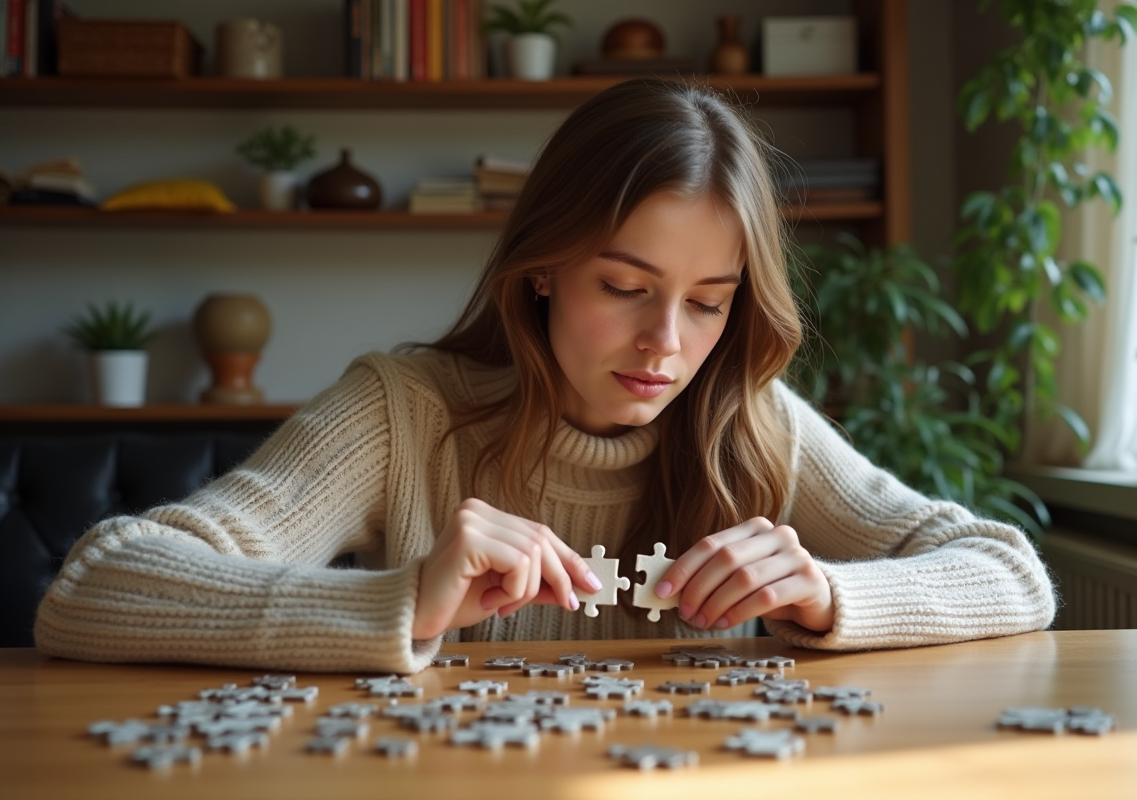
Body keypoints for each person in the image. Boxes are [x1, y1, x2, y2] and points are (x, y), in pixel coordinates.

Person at [34, 79, 1055, 673]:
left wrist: (830, 591)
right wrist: (402, 603)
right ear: (540, 272)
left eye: (709, 300)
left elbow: (1012, 572)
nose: (668, 340)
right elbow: (89, 588)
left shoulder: (750, 420)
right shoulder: (403, 410)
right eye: (625, 284)